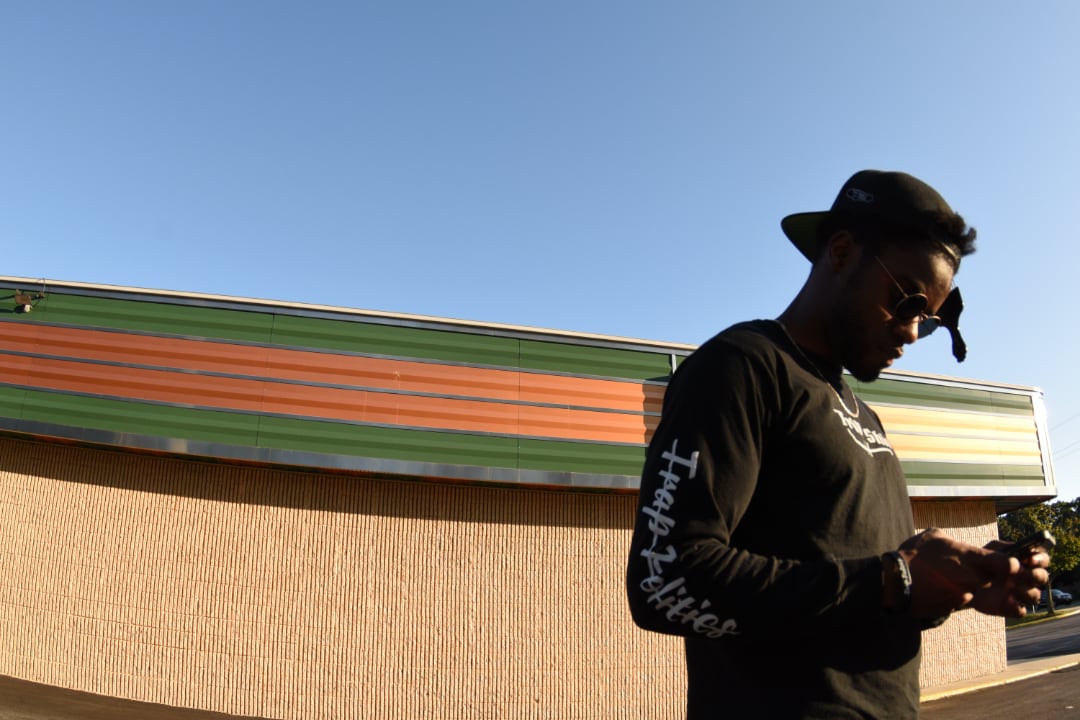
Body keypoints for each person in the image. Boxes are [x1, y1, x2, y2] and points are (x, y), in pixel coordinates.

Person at [625, 170, 1049, 719]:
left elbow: (868, 593)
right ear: (843, 252)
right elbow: (664, 580)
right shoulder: (742, 368)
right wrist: (890, 579)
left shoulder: (865, 416)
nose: (913, 331)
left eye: (929, 317)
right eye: (907, 301)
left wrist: (956, 586)